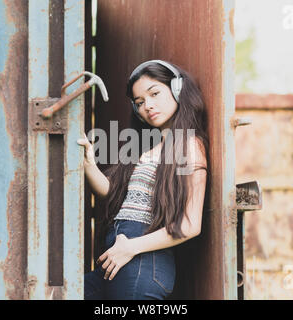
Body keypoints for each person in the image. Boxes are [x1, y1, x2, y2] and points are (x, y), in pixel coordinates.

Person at [77, 60, 209, 300]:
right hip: (119, 262)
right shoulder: (146, 147)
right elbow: (111, 193)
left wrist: (131, 247)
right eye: (139, 102)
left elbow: (190, 225)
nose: (148, 106)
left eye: (155, 93)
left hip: (142, 262)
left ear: (177, 89)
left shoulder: (188, 145)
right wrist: (88, 163)